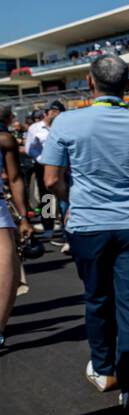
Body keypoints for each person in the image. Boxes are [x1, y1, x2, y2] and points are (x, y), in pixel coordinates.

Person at [42, 55, 129, 411]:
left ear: (89, 82)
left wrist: (75, 197)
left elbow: (51, 180)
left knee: (97, 298)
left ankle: (103, 368)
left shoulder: (66, 122)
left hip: (88, 225)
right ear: (128, 87)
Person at [1, 105, 34, 351]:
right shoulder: (4, 139)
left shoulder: (4, 140)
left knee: (7, 263)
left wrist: (23, 217)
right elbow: (14, 179)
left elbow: (14, 179)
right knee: (6, 263)